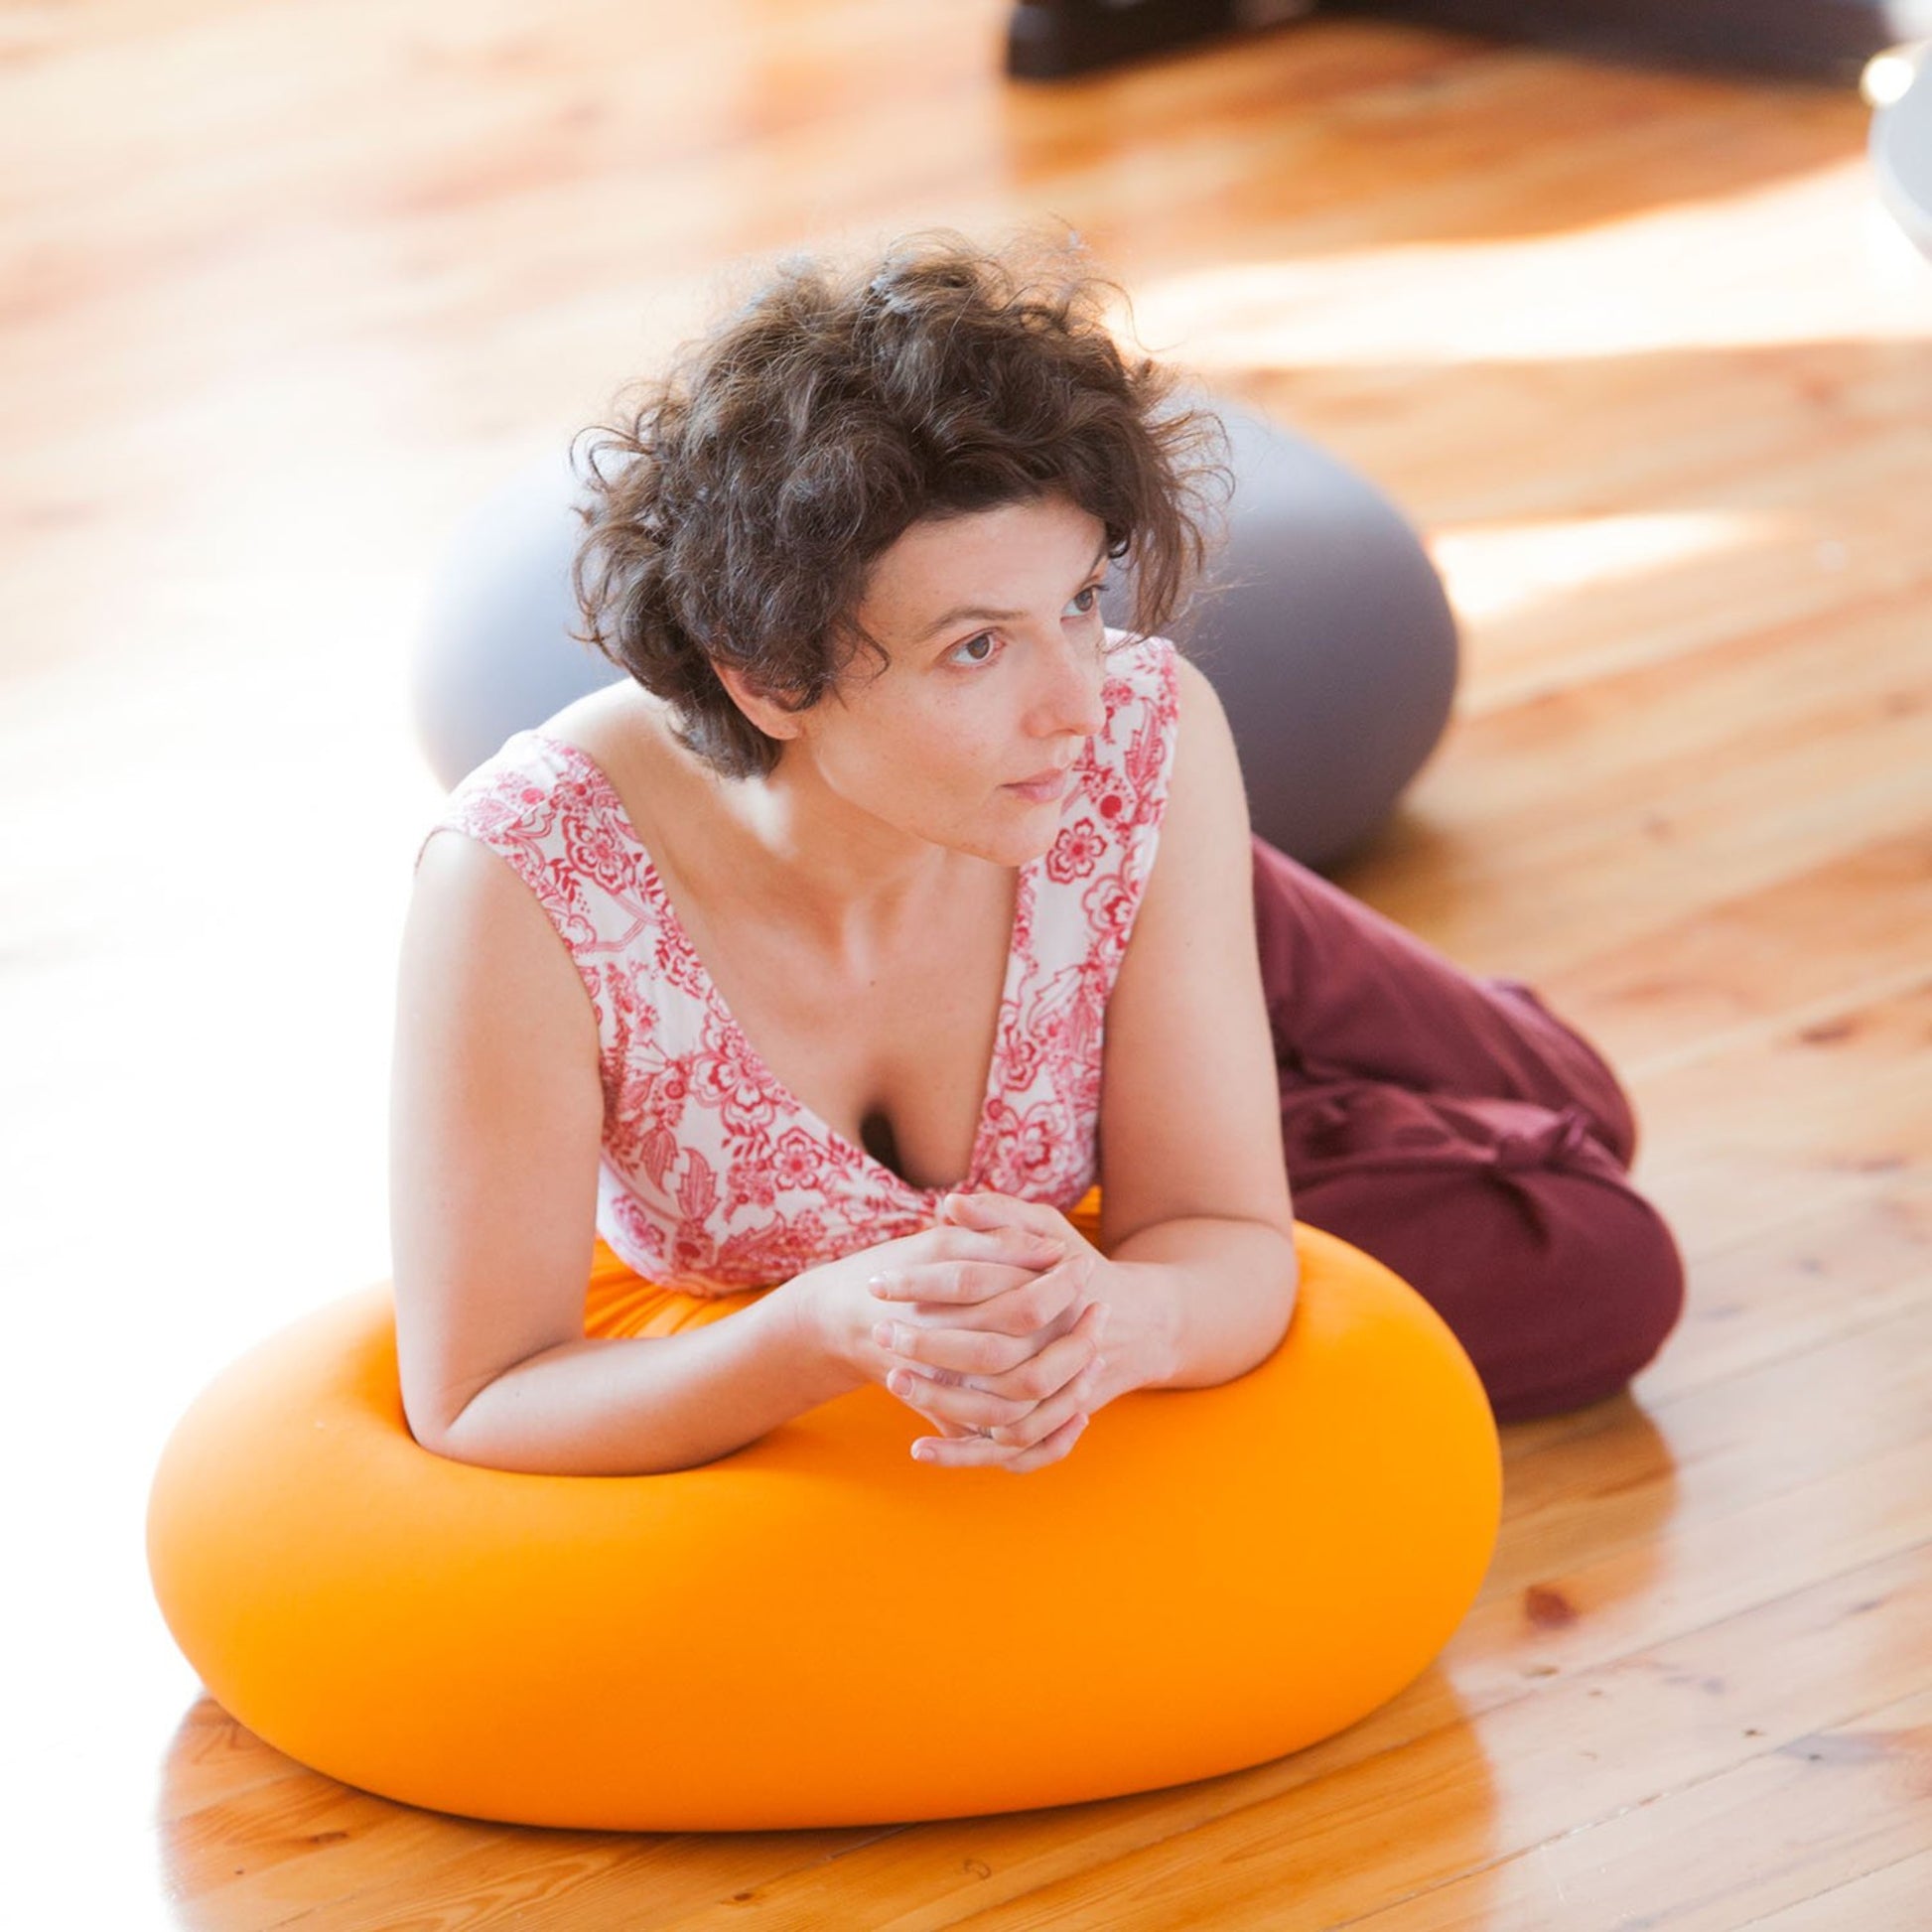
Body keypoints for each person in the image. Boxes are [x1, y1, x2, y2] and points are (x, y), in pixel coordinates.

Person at [389, 225, 1685, 1479]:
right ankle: (1189, 1020)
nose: (1080, 698)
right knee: (1595, 1263)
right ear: (767, 678)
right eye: (975, 645)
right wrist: (806, 1331)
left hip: (1088, 863)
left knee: (1577, 1097)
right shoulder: (521, 885)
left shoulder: (1129, 738)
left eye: (1077, 602)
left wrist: (1137, 1319)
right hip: (1031, 871)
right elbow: (480, 1391)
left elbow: (1214, 1241)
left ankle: (1222, 930)